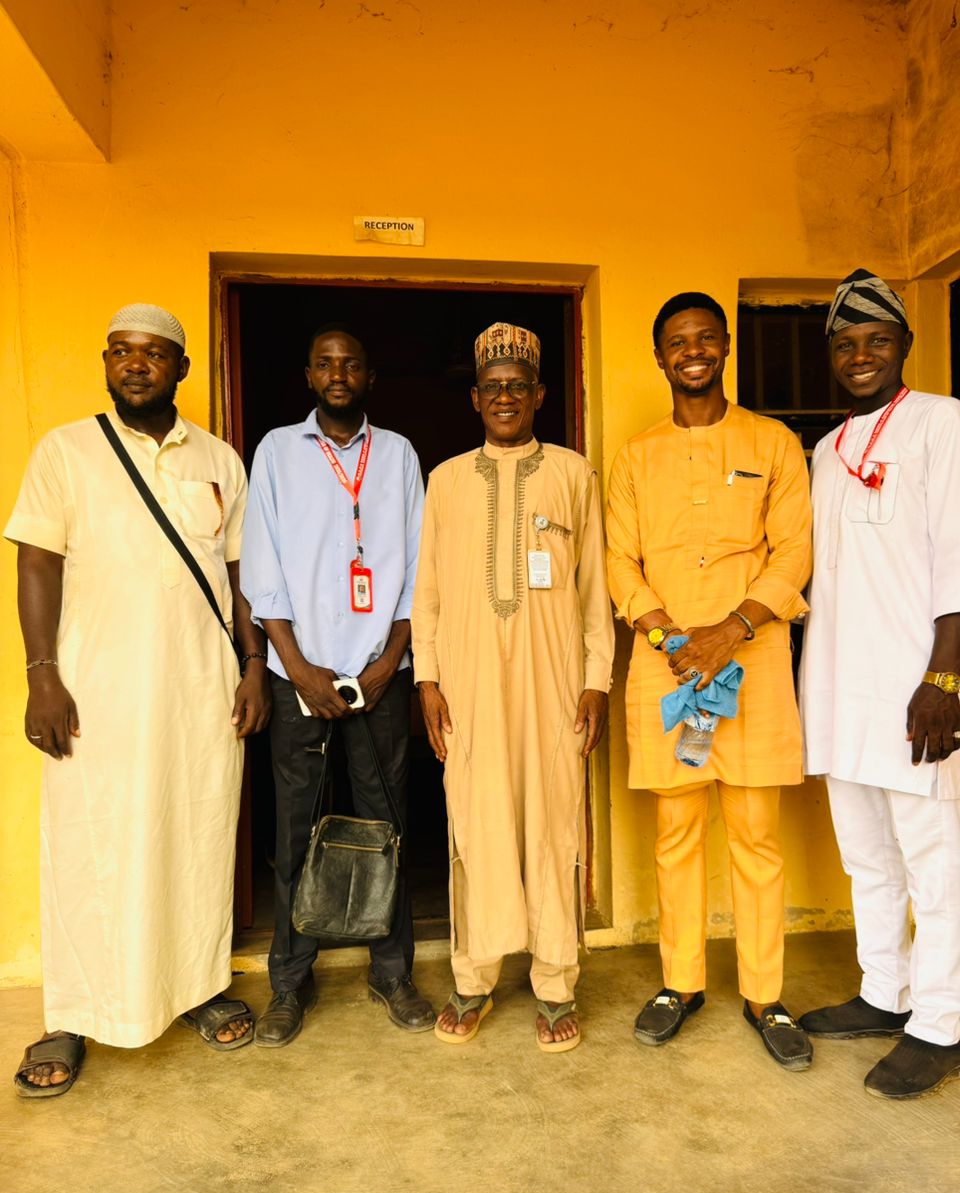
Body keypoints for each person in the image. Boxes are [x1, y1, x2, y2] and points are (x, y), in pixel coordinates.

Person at [7, 303, 270, 1098]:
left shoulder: (219, 460)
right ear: (106, 362)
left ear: (181, 368)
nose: (134, 364)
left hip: (199, 690)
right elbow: (37, 562)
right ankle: (74, 1013)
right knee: (87, 846)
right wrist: (42, 674)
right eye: (120, 351)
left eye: (153, 353)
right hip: (95, 692)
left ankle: (195, 987)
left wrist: (253, 667)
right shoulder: (65, 451)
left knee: (193, 835)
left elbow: (240, 576)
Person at [606, 292, 814, 1070]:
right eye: (677, 342)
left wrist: (730, 631)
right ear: (659, 357)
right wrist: (670, 637)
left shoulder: (774, 442)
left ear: (725, 345)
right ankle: (681, 984)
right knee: (677, 831)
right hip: (672, 668)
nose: (691, 351)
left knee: (756, 833)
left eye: (704, 338)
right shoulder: (636, 456)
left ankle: (765, 994)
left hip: (750, 661)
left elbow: (794, 550)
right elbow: (620, 560)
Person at [411, 321, 613, 1052]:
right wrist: (427, 678)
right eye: (492, 387)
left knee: (553, 823)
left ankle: (555, 982)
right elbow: (427, 590)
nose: (505, 398)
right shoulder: (445, 480)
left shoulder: (572, 474)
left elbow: (594, 589)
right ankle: (474, 978)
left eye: (517, 387)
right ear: (475, 398)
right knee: (477, 822)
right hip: (467, 684)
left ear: (539, 395)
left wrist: (596, 680)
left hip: (554, 683)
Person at [241, 323, 434, 1043]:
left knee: (387, 828)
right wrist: (295, 665)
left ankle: (392, 971)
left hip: (381, 674)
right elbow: (261, 567)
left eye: (350, 363)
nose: (338, 373)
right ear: (309, 376)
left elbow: (420, 565)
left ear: (369, 377)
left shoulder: (400, 454)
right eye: (325, 363)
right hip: (301, 675)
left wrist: (391, 661)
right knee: (296, 831)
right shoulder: (276, 451)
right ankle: (290, 981)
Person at [798, 269, 960, 1099]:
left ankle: (940, 1022)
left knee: (935, 859)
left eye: (878, 341)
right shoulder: (826, 450)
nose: (861, 356)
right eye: (846, 344)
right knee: (866, 855)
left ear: (905, 345)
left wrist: (945, 675)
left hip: (915, 688)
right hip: (840, 687)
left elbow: (958, 554)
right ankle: (884, 990)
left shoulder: (942, 422)